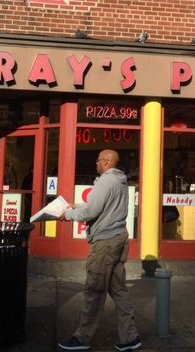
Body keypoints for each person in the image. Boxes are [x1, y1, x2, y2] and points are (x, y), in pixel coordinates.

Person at [58, 149, 141, 352]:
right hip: (119, 238)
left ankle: (82, 338)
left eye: (97, 160)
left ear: (106, 162)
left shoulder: (105, 181)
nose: (95, 163)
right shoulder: (120, 180)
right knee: (119, 290)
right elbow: (102, 206)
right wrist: (75, 205)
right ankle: (130, 337)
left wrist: (68, 214)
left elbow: (91, 212)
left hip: (105, 243)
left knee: (94, 291)